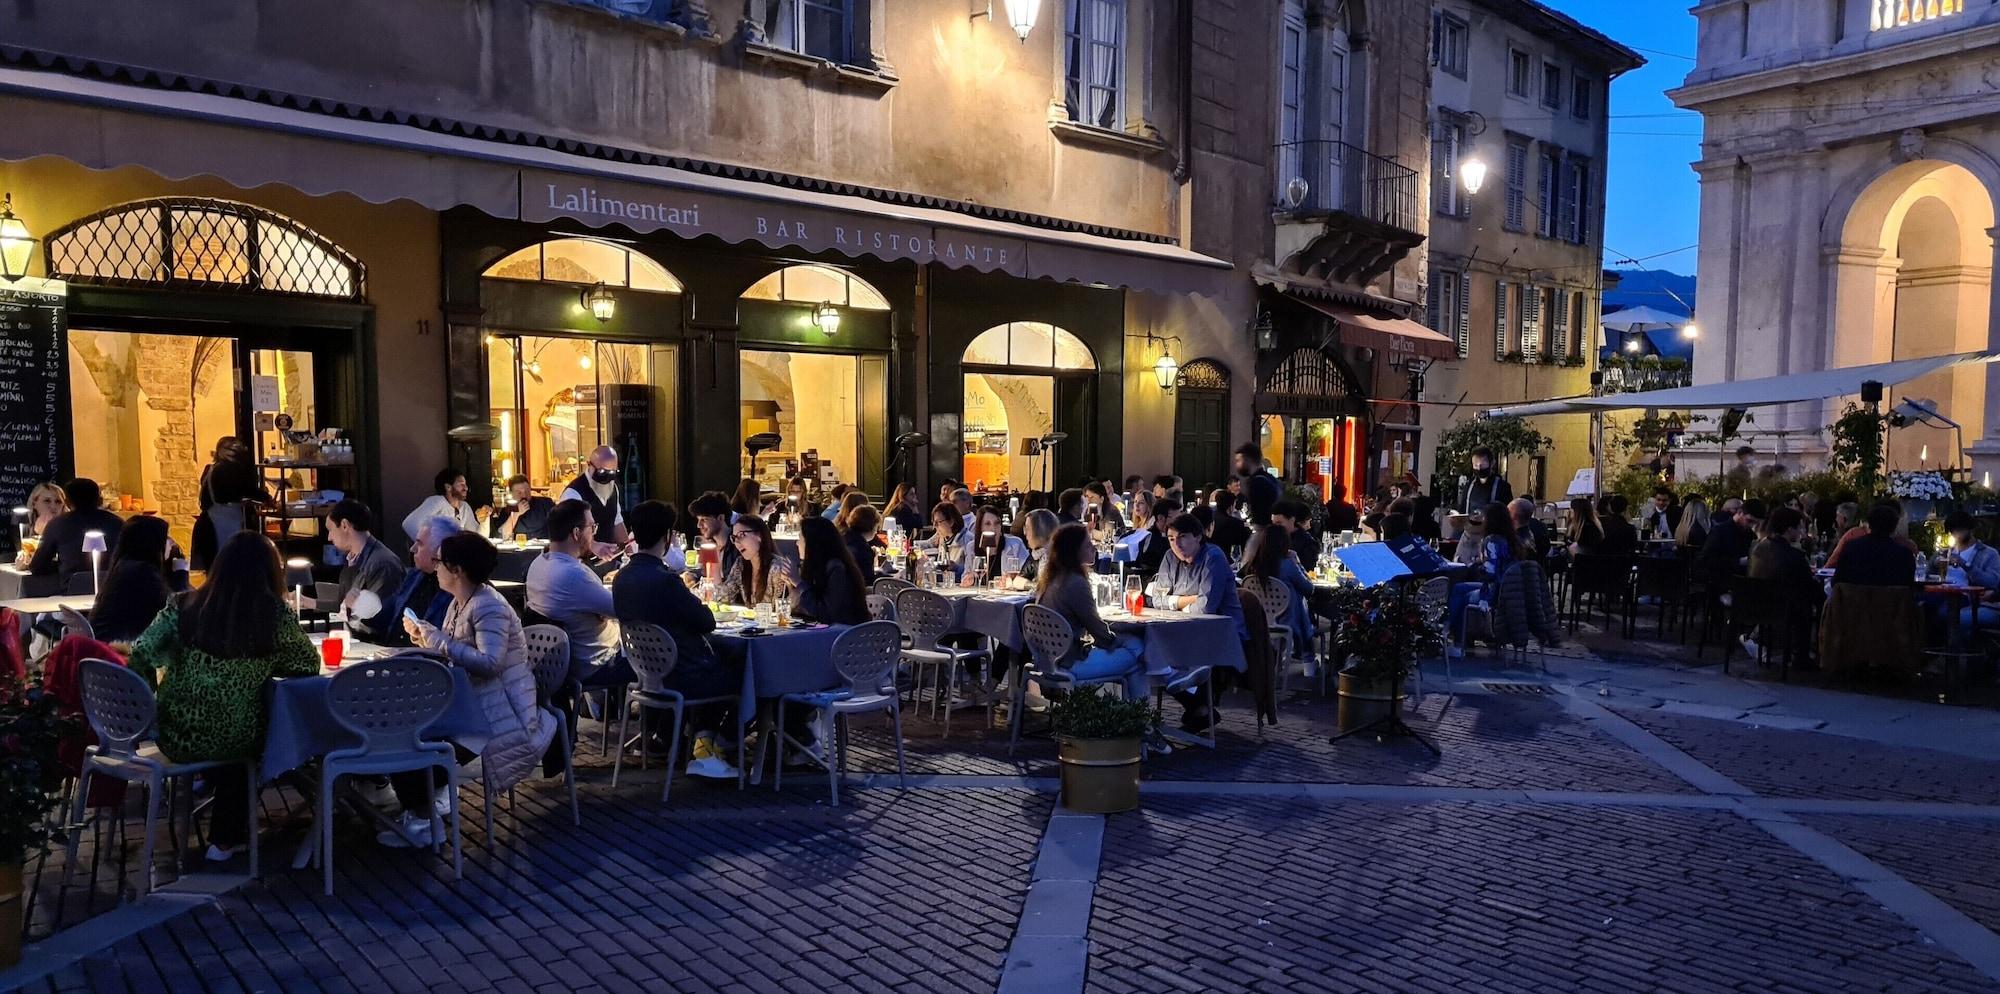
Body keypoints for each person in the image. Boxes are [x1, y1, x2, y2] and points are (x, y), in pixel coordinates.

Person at [127, 532, 318, 862]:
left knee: (231, 743)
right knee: (252, 741)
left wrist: (148, 711)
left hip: (175, 733)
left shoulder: (183, 605)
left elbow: (141, 651)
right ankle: (226, 840)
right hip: (234, 736)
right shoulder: (274, 615)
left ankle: (218, 816)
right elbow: (307, 664)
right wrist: (266, 663)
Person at [389, 531, 554, 847]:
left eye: (439, 562)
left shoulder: (488, 606)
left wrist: (437, 640)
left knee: (412, 739)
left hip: (498, 713)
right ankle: (425, 808)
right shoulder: (461, 602)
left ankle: (425, 822)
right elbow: (456, 651)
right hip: (472, 703)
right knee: (404, 728)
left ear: (458, 570)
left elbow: (490, 663)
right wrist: (426, 637)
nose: (435, 568)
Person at [612, 500, 737, 779]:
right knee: (742, 670)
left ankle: (677, 739)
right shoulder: (665, 580)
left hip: (646, 672)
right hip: (684, 674)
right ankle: (708, 747)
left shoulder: (622, 578)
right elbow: (706, 621)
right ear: (668, 536)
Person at [1146, 513, 1247, 733]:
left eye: (1183, 537)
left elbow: (1206, 607)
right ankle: (1199, 708)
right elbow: (1156, 599)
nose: (1177, 544)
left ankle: (1199, 708)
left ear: (1199, 537)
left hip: (1220, 633)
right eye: (1171, 538)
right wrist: (1189, 600)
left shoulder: (1213, 557)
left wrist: (1174, 602)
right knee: (1147, 651)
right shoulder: (1169, 557)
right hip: (1182, 630)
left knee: (1161, 654)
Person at [1035, 521, 1148, 706]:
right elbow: (1099, 633)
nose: (1094, 547)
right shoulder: (1075, 583)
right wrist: (1116, 641)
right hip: (1069, 662)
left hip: (1047, 660)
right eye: (1088, 545)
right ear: (1074, 551)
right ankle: (1140, 717)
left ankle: (1131, 714)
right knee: (1139, 657)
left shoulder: (1051, 580)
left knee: (1133, 645)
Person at [526, 500, 620, 688]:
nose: (594, 533)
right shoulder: (573, 575)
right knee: (658, 657)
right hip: (595, 663)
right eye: (592, 527)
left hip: (557, 662)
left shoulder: (538, 564)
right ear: (577, 533)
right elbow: (622, 609)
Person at [90, 515, 181, 643]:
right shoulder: (143, 572)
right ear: (151, 542)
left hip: (106, 643)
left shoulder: (125, 566)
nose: (170, 544)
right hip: (118, 647)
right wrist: (180, 576)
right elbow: (173, 608)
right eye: (165, 538)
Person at [328, 499, 405, 639]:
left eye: (330, 530)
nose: (329, 537)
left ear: (344, 525)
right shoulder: (353, 560)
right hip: (357, 641)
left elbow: (381, 619)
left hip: (376, 646)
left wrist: (353, 607)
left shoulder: (383, 563)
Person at [1243, 524, 1315, 672]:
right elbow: (1309, 588)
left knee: (1294, 595)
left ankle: (1276, 660)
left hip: (1261, 617)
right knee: (1298, 599)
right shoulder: (1287, 564)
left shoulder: (1253, 565)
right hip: (1288, 618)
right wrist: (1298, 563)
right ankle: (1309, 664)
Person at [1449, 501, 1525, 641]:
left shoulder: (1491, 541)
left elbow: (1489, 573)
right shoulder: (1513, 541)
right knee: (1458, 588)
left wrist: (1473, 565)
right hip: (1509, 590)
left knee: (1459, 595)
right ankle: (1457, 635)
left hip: (1493, 592)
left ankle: (1456, 636)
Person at [379, 517, 460, 646]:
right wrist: (361, 608)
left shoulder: (456, 590)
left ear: (439, 551)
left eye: (420, 544)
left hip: (426, 657)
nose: (412, 549)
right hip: (392, 651)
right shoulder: (415, 574)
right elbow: (390, 609)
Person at [27, 478, 125, 584]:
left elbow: (37, 567)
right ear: (99, 500)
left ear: (67, 502)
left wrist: (62, 565)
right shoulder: (118, 523)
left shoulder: (57, 525)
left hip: (73, 589)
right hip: (114, 587)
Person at [193, 438, 265, 569]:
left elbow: (227, 493)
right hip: (224, 521)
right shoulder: (228, 469)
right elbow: (245, 490)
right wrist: (266, 498)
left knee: (220, 562)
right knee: (228, 558)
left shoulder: (212, 468)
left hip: (214, 519)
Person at [782, 516, 868, 625]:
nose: (797, 543)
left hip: (844, 631)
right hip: (823, 629)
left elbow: (826, 614)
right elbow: (801, 608)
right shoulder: (815, 567)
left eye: (800, 538)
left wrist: (798, 583)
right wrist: (791, 584)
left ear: (812, 542)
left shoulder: (836, 568)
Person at [557, 445, 630, 556]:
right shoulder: (574, 493)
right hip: (581, 561)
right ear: (589, 465)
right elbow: (565, 531)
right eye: (602, 472)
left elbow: (617, 520)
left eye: (612, 473)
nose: (607, 478)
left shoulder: (613, 488)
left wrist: (628, 547)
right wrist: (593, 546)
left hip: (609, 559)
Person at [1831, 503, 1918, 587]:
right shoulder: (1905, 555)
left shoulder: (1851, 548)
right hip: (1891, 597)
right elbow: (1909, 586)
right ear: (1894, 527)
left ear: (1869, 524)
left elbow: (1836, 582)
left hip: (1854, 597)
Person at [716, 513, 786, 607]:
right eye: (734, 538)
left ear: (759, 536)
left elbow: (780, 608)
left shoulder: (777, 568)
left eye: (741, 535)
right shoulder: (740, 564)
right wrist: (715, 563)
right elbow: (723, 598)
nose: (737, 542)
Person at [402, 468, 482, 542]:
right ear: (448, 487)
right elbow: (409, 524)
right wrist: (429, 546)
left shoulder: (464, 507)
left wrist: (484, 521)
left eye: (465, 484)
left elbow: (477, 536)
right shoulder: (437, 502)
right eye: (461, 484)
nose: (466, 488)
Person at [962, 504, 1030, 584]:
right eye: (988, 524)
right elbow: (965, 576)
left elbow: (1028, 575)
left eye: (997, 523)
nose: (993, 528)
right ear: (980, 528)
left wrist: (1012, 581)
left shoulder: (1015, 544)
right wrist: (968, 580)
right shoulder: (971, 547)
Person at [687, 491, 741, 588]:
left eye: (704, 519)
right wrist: (693, 576)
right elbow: (704, 573)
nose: (699, 525)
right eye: (698, 520)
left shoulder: (738, 546)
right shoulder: (709, 545)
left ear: (720, 518)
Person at [1698, 497, 1758, 576]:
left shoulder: (1750, 533)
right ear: (1739, 512)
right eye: (1749, 521)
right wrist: (1738, 562)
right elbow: (1705, 560)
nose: (1752, 526)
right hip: (1723, 578)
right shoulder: (1720, 531)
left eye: (1756, 523)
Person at [1942, 512, 2000, 589]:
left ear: (1970, 529)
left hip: (1967, 594)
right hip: (1942, 592)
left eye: (1960, 530)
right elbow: (1928, 574)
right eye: (1952, 531)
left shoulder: (1989, 553)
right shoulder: (1946, 552)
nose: (1956, 534)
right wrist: (1934, 564)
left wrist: (1966, 565)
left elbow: (1993, 582)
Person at [489, 475, 555, 541]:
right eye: (519, 492)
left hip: (544, 545)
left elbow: (558, 526)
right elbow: (502, 536)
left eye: (527, 491)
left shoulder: (545, 503)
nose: (524, 495)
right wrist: (516, 513)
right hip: (519, 545)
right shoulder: (508, 509)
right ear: (512, 493)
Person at [920, 501, 972, 582]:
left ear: (951, 522)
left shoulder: (968, 540)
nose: (934, 527)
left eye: (938, 522)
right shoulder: (943, 537)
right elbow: (927, 544)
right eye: (933, 523)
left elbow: (972, 572)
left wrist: (956, 568)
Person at [1232, 445, 1282, 526]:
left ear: (1248, 460)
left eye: (1238, 461)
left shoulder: (1257, 482)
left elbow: (1260, 517)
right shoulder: (1270, 479)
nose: (1236, 465)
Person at [1457, 447, 1515, 514]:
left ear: (1491, 463)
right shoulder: (1469, 486)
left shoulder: (1503, 487)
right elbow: (1462, 511)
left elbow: (1508, 513)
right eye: (1476, 465)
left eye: (1483, 464)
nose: (1479, 468)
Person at [1132, 498, 1180, 578]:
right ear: (1161, 518)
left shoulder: (1180, 537)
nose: (1179, 522)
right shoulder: (1148, 539)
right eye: (1175, 519)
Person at [842, 504, 884, 583]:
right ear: (871, 526)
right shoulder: (863, 549)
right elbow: (868, 579)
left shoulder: (844, 537)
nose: (876, 531)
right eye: (876, 527)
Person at [1018, 508, 1062, 583]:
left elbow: (1050, 587)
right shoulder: (1036, 555)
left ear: (1040, 530)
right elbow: (1020, 578)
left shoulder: (1060, 557)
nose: (1025, 533)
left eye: (1027, 528)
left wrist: (1027, 584)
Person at [1272, 500, 1321, 567]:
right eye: (1273, 524)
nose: (1275, 527)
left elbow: (1309, 570)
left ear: (1292, 520)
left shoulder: (1307, 543)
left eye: (1279, 523)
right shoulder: (1273, 538)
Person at [1206, 493, 1253, 558]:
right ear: (1231, 507)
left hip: (1211, 555)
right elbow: (1247, 541)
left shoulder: (1209, 518)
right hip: (1230, 558)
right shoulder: (1236, 523)